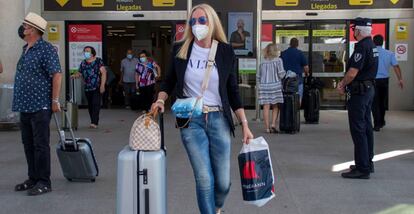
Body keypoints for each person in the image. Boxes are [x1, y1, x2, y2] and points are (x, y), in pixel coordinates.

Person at [151, 4, 254, 214]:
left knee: (224, 182)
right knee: (204, 178)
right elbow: (169, 81)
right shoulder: (181, 48)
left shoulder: (225, 51)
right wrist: (160, 100)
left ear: (212, 22)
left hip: (219, 120)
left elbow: (232, 90)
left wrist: (244, 124)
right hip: (190, 120)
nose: (197, 25)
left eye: (202, 20)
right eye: (193, 21)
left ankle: (216, 208)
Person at [12, 12, 62, 196]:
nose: (22, 28)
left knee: (40, 144)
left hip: (40, 105)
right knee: (28, 143)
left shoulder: (46, 49)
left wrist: (55, 100)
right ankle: (33, 178)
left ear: (32, 29)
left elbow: (57, 74)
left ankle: (44, 181)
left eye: (25, 25)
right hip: (24, 105)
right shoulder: (26, 48)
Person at [337, 17, 378, 179]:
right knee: (367, 126)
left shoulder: (361, 47)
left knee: (358, 129)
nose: (353, 32)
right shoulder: (372, 45)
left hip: (359, 93)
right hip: (368, 90)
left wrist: (342, 84)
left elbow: (353, 72)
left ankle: (362, 168)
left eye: (354, 29)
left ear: (359, 31)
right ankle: (367, 161)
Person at [371, 34, 404, 131]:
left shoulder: (370, 53)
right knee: (382, 102)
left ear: (373, 42)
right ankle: (381, 121)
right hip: (384, 81)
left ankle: (377, 125)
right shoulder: (389, 53)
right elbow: (396, 67)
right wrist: (400, 79)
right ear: (382, 42)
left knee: (375, 103)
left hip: (373, 81)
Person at [72, 46, 107, 129]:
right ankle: (93, 120)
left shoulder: (98, 61)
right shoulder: (83, 63)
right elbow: (80, 73)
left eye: (87, 51)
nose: (86, 53)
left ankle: (94, 122)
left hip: (97, 86)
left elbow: (104, 73)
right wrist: (75, 75)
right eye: (85, 51)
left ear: (92, 53)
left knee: (96, 104)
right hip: (87, 87)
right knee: (90, 105)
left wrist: (102, 85)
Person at [258, 43, 286, 133]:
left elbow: (258, 75)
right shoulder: (278, 60)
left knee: (266, 106)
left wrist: (259, 84)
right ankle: (273, 124)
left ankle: (267, 128)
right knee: (275, 106)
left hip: (264, 86)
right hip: (275, 86)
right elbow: (281, 74)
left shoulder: (262, 61)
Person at [280, 38, 310, 104]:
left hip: (286, 80)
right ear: (297, 44)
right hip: (298, 79)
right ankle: (296, 111)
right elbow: (306, 67)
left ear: (290, 44)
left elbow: (279, 67)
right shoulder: (300, 53)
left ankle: (287, 110)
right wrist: (307, 74)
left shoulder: (283, 53)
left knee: (285, 96)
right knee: (298, 96)